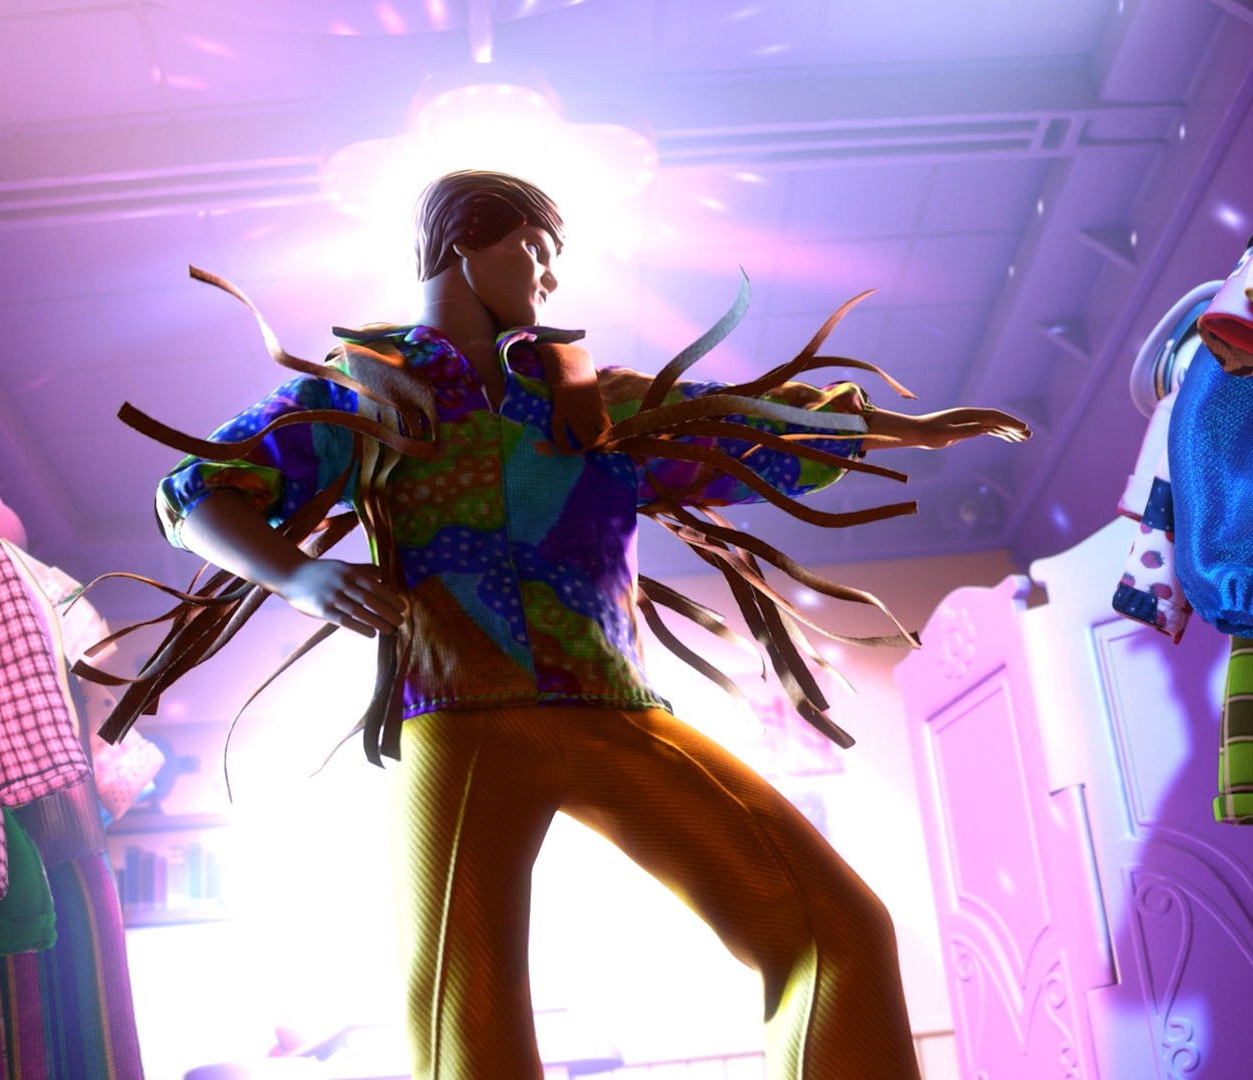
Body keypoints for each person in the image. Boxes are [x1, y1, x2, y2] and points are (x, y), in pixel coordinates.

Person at [152, 170, 1028, 1080]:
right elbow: (195, 490)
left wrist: (903, 429)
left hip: (615, 711)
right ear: (467, 243)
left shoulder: (593, 400)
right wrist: (298, 575)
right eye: (535, 250)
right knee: (464, 1015)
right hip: (458, 718)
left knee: (835, 927)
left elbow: (750, 430)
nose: (549, 277)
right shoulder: (367, 390)